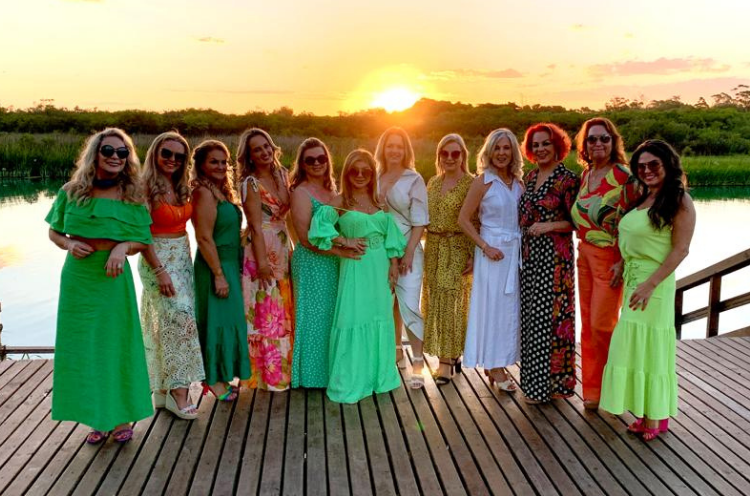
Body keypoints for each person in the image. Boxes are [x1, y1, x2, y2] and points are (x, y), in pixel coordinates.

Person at [46, 128, 153, 444]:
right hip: (79, 280)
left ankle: (120, 418)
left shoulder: (132, 193)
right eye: (109, 150)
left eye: (122, 153)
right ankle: (97, 418)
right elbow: (53, 232)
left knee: (115, 345)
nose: (116, 157)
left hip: (112, 279)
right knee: (84, 348)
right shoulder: (72, 190)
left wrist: (122, 247)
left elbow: (143, 239)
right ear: (96, 153)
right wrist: (67, 244)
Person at [600, 139, 695, 441]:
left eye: (653, 164)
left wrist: (651, 284)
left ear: (668, 164)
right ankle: (646, 413)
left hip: (655, 284)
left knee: (650, 347)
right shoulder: (644, 197)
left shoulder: (679, 200)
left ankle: (655, 417)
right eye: (641, 166)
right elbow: (638, 240)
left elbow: (680, 250)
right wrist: (621, 264)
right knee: (633, 345)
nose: (647, 170)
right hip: (634, 278)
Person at [308, 149, 406, 403]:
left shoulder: (380, 202)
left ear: (372, 174)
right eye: (355, 170)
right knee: (353, 317)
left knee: (380, 317)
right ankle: (353, 380)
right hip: (355, 267)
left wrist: (394, 265)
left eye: (366, 171)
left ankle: (380, 377)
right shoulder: (340, 202)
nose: (360, 175)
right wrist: (343, 241)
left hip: (380, 268)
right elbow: (318, 229)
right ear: (347, 173)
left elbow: (391, 238)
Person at [571, 118, 640, 410]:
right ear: (584, 146)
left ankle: (617, 390)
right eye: (592, 139)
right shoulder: (586, 175)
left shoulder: (624, 177)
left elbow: (638, 223)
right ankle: (594, 391)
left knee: (604, 325)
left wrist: (623, 261)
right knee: (588, 326)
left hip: (610, 258)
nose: (598, 144)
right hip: (584, 256)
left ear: (613, 142)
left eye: (604, 139)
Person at [138, 131, 205, 420]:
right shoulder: (142, 188)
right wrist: (160, 270)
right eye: (167, 154)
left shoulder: (182, 186)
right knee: (179, 318)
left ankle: (164, 391)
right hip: (157, 260)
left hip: (182, 257)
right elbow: (140, 233)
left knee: (173, 320)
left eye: (179, 156)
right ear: (155, 153)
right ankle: (179, 391)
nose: (173, 160)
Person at [289, 138, 359, 388]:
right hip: (312, 263)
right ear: (302, 164)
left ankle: (332, 372)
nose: (317, 163)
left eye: (321, 158)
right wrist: (342, 248)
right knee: (313, 319)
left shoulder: (333, 192)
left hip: (333, 263)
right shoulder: (300, 192)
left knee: (332, 318)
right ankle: (310, 376)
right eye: (310, 160)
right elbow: (306, 238)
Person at [519, 123, 580, 404]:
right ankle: (533, 384)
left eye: (546, 144)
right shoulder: (530, 178)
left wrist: (549, 226)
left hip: (554, 261)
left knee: (551, 321)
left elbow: (576, 223)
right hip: (530, 259)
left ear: (557, 146)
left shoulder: (567, 179)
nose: (541, 149)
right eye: (536, 145)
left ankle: (547, 388)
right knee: (531, 321)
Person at [459, 129, 524, 390]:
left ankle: (499, 362)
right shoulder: (483, 181)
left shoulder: (519, 183)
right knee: (492, 308)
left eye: (506, 148)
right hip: (492, 253)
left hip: (514, 253)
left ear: (513, 152)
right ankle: (494, 366)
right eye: (497, 148)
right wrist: (485, 247)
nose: (501, 153)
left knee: (509, 310)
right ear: (489, 151)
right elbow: (464, 219)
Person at [191, 139, 250, 402]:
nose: (220, 166)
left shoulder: (221, 191)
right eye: (213, 161)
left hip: (228, 262)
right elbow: (204, 237)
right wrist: (218, 275)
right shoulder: (203, 192)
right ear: (201, 165)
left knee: (229, 322)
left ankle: (223, 375)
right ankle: (213, 380)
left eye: (224, 161)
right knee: (215, 322)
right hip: (214, 266)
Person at [236, 128, 294, 391]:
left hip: (282, 244)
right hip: (261, 248)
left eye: (266, 146)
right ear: (249, 155)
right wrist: (261, 264)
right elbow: (256, 226)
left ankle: (287, 368)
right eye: (257, 149)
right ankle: (269, 375)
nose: (264, 152)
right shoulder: (249, 183)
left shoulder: (282, 175)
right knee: (266, 307)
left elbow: (289, 213)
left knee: (282, 306)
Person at [375, 127, 429, 383]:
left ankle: (418, 362)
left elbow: (420, 222)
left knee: (408, 305)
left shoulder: (414, 179)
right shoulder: (374, 177)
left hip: (409, 250)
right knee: (385, 305)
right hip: (379, 251)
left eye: (399, 146)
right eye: (390, 146)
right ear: (383, 149)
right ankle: (394, 353)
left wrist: (408, 254)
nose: (394, 151)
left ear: (405, 150)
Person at [423, 134, 474, 386]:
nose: (450, 158)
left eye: (456, 153)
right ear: (439, 156)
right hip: (432, 247)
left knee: (451, 303)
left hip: (457, 247)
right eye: (445, 153)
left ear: (463, 155)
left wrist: (474, 255)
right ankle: (453, 354)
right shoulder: (432, 182)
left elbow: (478, 221)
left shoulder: (471, 183)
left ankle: (445, 363)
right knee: (437, 303)